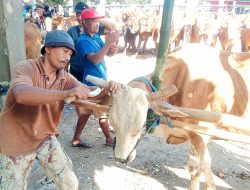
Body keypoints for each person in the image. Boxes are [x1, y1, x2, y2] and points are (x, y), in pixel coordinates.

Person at [0, 30, 122, 190]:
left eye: (70, 54)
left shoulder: (65, 77)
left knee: (70, 183)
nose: (67, 57)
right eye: (65, 51)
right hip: (16, 143)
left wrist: (106, 89)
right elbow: (21, 95)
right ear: (49, 48)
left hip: (44, 138)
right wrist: (66, 93)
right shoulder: (26, 68)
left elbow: (89, 93)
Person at [70, 8, 119, 148]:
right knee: (101, 111)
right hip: (92, 81)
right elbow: (96, 59)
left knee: (86, 112)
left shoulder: (96, 37)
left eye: (98, 20)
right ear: (85, 22)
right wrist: (109, 43)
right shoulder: (82, 41)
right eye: (93, 21)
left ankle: (76, 139)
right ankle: (109, 139)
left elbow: (107, 54)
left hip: (100, 79)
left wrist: (114, 45)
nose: (97, 23)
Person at [67, 1, 116, 81]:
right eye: (77, 14)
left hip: (97, 75)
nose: (79, 17)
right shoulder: (73, 32)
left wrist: (94, 18)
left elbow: (112, 27)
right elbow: (67, 54)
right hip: (77, 71)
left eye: (82, 13)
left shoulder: (95, 34)